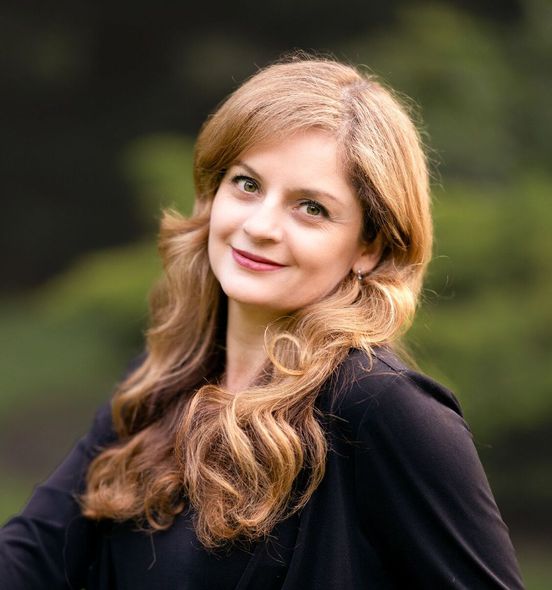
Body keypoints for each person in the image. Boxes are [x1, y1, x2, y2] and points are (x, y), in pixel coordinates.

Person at [0, 54, 524, 589]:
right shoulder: (165, 381)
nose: (261, 225)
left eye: (311, 208)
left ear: (369, 246)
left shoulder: (383, 409)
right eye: (247, 184)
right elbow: (33, 557)